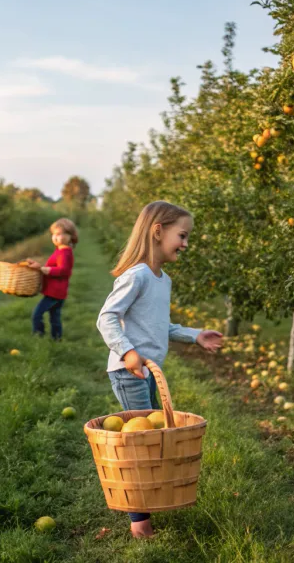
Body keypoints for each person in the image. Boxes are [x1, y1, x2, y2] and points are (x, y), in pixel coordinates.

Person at [96, 201, 223, 538]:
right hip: (129, 371)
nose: (185, 243)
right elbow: (106, 318)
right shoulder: (137, 275)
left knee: (150, 438)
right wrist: (128, 353)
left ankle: (148, 506)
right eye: (182, 235)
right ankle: (140, 523)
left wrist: (196, 336)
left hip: (150, 371)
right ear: (157, 231)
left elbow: (162, 326)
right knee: (140, 444)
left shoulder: (162, 279)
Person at [27, 218, 78, 340]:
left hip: (55, 292)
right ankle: (57, 338)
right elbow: (52, 266)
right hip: (57, 291)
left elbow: (63, 271)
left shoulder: (64, 252)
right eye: (54, 234)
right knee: (54, 316)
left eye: (60, 234)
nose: (55, 237)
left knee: (37, 314)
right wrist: (39, 266)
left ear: (70, 236)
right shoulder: (59, 250)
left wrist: (42, 269)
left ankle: (38, 335)